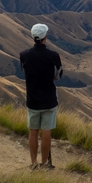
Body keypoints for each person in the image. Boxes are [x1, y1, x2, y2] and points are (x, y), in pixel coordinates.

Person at [19, 23, 62, 169]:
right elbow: (58, 75)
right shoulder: (53, 56)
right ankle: (45, 164)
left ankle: (33, 163)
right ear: (45, 37)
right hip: (49, 99)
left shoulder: (24, 55)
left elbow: (24, 70)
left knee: (33, 131)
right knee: (46, 131)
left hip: (32, 99)